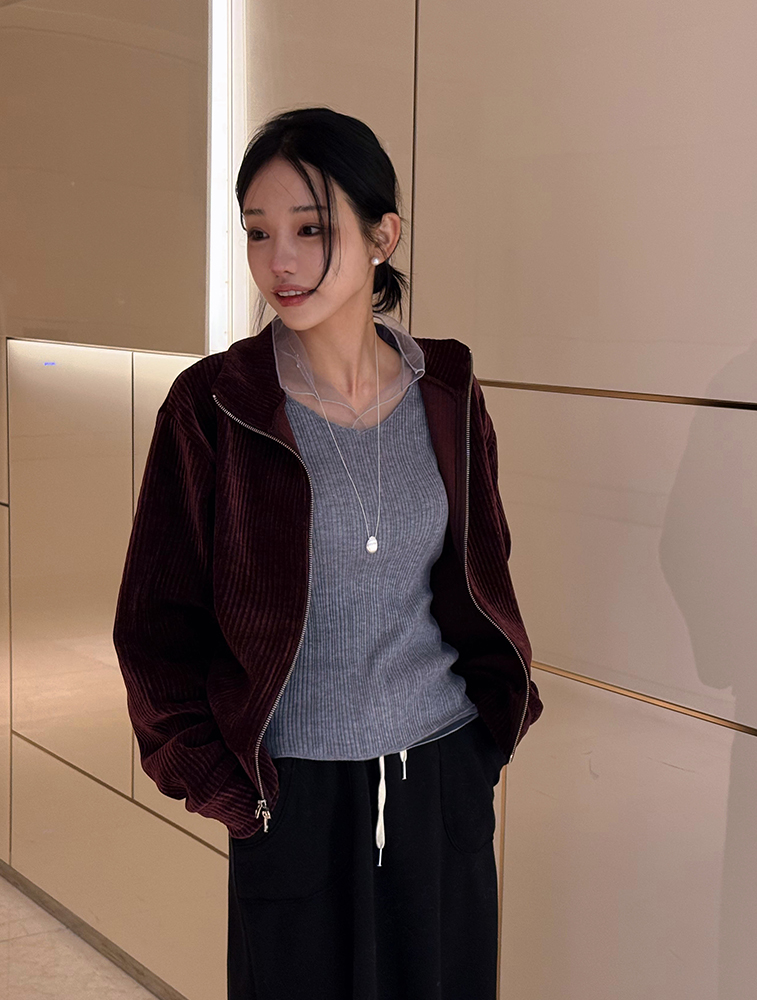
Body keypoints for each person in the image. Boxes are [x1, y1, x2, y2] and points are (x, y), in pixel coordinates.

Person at [112, 106, 543, 1000]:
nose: (279, 260)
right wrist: (224, 789)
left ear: (384, 236)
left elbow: (485, 567)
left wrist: (483, 747)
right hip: (292, 800)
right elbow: (154, 630)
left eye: (310, 230)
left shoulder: (448, 390)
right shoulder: (214, 406)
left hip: (440, 780)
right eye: (257, 232)